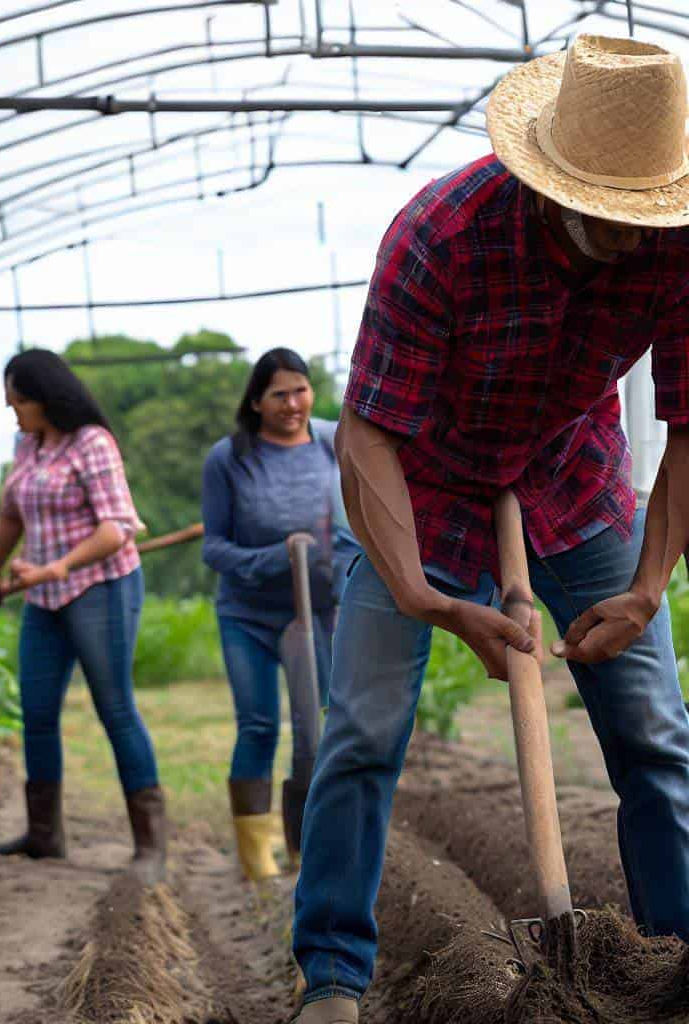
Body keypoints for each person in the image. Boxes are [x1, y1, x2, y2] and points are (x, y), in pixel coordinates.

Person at [291, 35, 689, 1024]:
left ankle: (677, 955)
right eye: (613, 215)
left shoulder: (678, 241)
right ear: (557, 186)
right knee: (364, 730)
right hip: (421, 479)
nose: (637, 234)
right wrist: (425, 596)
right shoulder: (444, 233)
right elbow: (366, 434)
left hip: (571, 472)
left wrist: (646, 587)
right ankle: (333, 974)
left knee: (653, 732)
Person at [0, 348, 168, 884]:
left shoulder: (93, 443)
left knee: (114, 707)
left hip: (99, 585)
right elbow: (12, 514)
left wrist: (55, 567)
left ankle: (150, 846)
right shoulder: (28, 445)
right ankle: (43, 835)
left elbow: (115, 529)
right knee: (36, 712)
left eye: (18, 403)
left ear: (43, 398)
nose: (13, 414)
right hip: (43, 598)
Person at [202, 348, 359, 881]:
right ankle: (255, 857)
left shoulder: (334, 443)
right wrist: (276, 556)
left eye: (300, 390)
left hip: (315, 611)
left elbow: (357, 521)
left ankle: (302, 846)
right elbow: (215, 549)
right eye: (278, 394)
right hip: (246, 615)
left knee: (312, 729)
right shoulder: (230, 458)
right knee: (258, 724)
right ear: (256, 401)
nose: (292, 403)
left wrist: (337, 573)